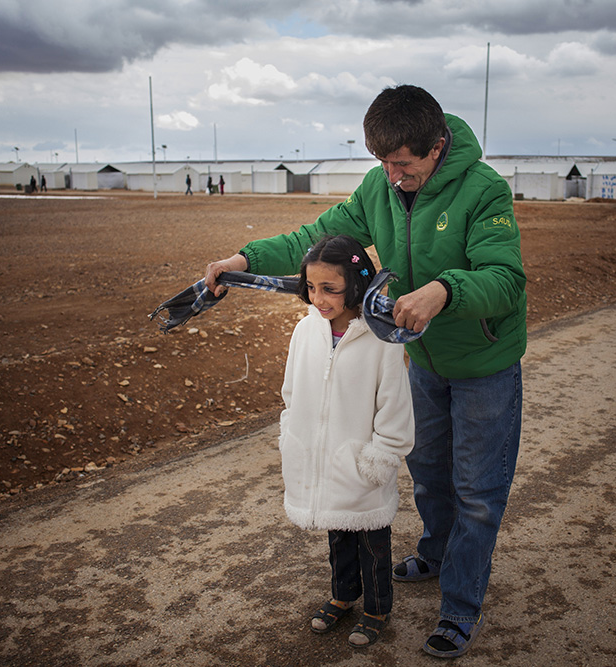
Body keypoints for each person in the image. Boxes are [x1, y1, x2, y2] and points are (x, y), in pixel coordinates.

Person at [204, 84, 526, 658]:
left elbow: (505, 280)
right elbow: (313, 240)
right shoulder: (380, 187)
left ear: (435, 147)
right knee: (426, 471)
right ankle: (433, 552)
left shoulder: (485, 191)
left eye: (402, 163)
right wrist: (242, 260)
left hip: (483, 365)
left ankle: (460, 607)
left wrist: (443, 290)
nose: (390, 174)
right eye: (381, 161)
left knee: (476, 490)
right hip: (423, 361)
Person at [280, 234, 414, 648]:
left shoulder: (382, 339)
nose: (318, 299)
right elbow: (291, 390)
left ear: (355, 286)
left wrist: (380, 455)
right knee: (336, 531)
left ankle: (377, 608)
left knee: (371, 540)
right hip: (322, 459)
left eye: (330, 289)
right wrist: (292, 432)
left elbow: (394, 404)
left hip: (361, 460)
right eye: (312, 287)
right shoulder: (306, 331)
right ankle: (343, 596)